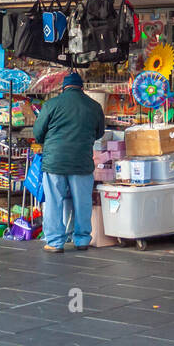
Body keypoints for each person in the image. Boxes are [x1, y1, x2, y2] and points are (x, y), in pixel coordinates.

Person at [33, 71, 104, 252]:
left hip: (55, 162)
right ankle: (82, 240)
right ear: (82, 88)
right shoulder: (94, 106)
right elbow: (99, 133)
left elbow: (38, 133)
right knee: (82, 202)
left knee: (54, 201)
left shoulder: (51, 104)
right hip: (81, 161)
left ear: (63, 88)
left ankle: (55, 242)